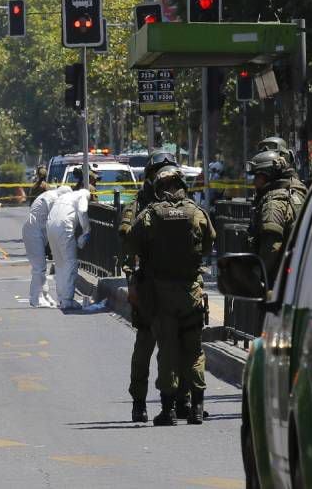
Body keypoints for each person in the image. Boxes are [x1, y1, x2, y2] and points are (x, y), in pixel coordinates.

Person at [127, 165, 215, 426]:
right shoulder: (196, 212)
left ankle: (168, 411)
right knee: (195, 350)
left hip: (160, 293)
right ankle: (197, 408)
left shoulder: (150, 214)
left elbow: (132, 242)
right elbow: (210, 241)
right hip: (191, 292)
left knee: (166, 351)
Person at [119, 149, 177, 423]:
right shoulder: (138, 206)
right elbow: (126, 239)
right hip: (147, 284)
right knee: (144, 345)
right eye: (159, 174)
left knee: (179, 347)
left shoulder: (182, 204)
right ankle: (139, 402)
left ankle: (178, 402)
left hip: (177, 283)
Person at [246, 150, 303, 287]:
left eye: (257, 177)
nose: (254, 182)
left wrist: (255, 277)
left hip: (278, 283)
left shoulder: (273, 205)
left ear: (268, 176)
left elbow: (272, 247)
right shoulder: (294, 193)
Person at [23, 186, 72, 308]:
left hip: (38, 232)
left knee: (42, 267)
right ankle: (35, 299)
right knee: (39, 268)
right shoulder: (52, 198)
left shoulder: (50, 195)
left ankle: (44, 296)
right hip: (34, 232)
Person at [45, 188, 91, 309]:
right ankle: (67, 301)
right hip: (63, 227)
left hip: (50, 227)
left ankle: (61, 297)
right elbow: (82, 211)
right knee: (70, 263)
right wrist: (86, 230)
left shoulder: (63, 198)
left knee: (59, 263)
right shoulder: (83, 195)